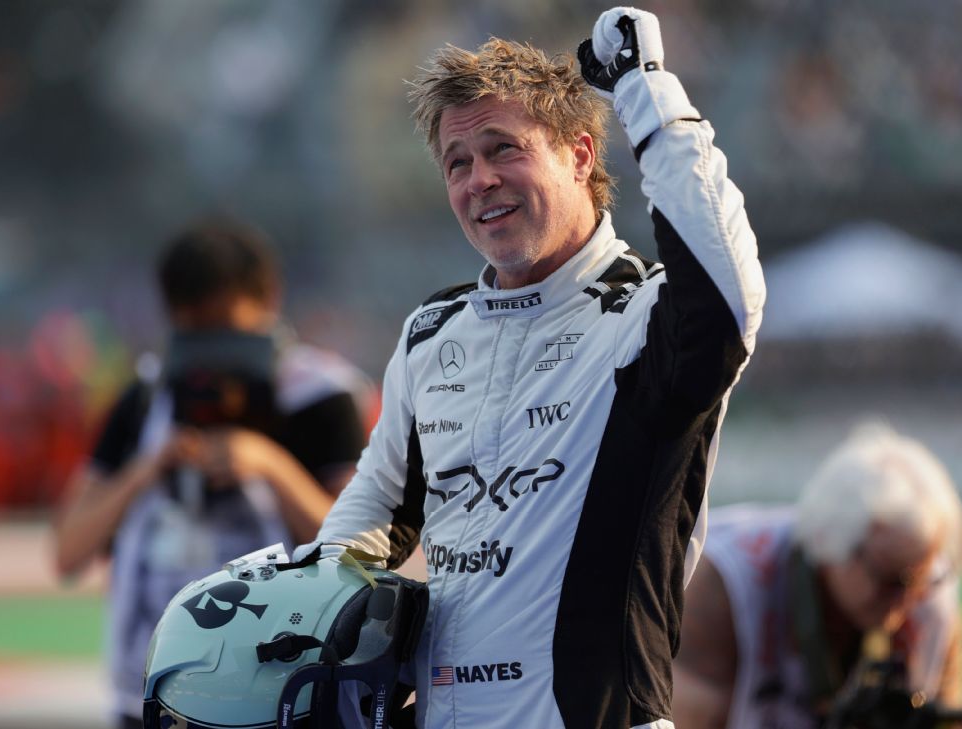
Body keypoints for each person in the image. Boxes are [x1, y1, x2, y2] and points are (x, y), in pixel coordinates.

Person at [298, 8, 765, 728]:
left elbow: (729, 293)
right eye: (458, 162)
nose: (479, 179)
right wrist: (311, 606)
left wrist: (645, 88)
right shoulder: (431, 332)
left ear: (580, 156)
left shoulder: (646, 319)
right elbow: (376, 511)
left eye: (503, 149)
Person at [52, 219, 372, 729]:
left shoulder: (317, 396)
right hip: (153, 694)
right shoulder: (147, 397)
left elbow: (361, 553)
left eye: (227, 328)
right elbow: (68, 551)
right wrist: (145, 470)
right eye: (196, 332)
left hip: (282, 696)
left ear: (269, 302)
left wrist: (269, 464)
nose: (213, 352)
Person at [672, 423, 962, 729]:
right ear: (832, 549)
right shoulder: (723, 585)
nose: (910, 598)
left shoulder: (930, 597)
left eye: (924, 577)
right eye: (891, 580)